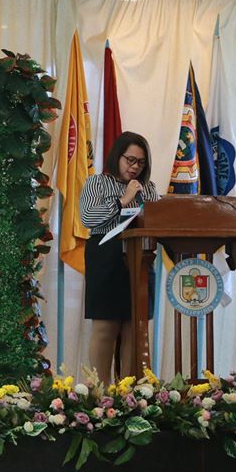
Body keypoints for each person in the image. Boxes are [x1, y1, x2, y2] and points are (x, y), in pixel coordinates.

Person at [79, 131, 160, 382]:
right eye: (130, 160)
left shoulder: (148, 189)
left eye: (140, 163)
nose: (134, 167)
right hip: (107, 254)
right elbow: (87, 217)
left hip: (141, 257)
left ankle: (129, 393)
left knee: (135, 328)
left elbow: (160, 219)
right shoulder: (97, 183)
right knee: (106, 327)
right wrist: (123, 200)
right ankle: (100, 393)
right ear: (117, 157)